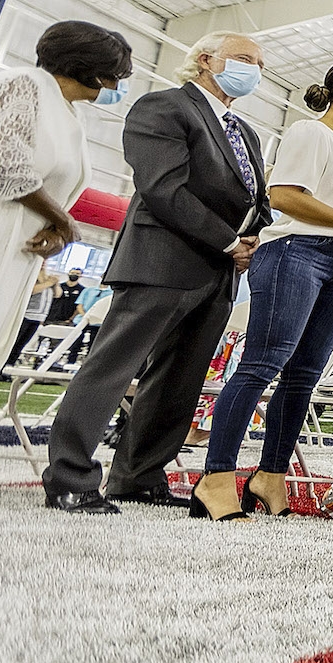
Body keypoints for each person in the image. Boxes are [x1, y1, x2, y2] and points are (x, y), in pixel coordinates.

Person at [44, 31, 275, 514]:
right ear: (206, 59)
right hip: (161, 259)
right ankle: (69, 476)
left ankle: (139, 476)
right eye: (243, 59)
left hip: (219, 270)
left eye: (259, 62)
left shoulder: (246, 132)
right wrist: (230, 240)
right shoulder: (165, 107)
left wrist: (253, 235)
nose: (254, 68)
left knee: (179, 380)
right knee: (113, 370)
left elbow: (256, 197)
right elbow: (163, 188)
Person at [198, 59, 333, 520]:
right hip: (295, 250)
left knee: (304, 374)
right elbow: (285, 196)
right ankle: (216, 477)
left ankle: (270, 474)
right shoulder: (310, 133)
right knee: (262, 365)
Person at [0, 22, 132, 392]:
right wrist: (64, 222)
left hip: (12, 243)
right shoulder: (22, 84)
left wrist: (57, 227)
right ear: (90, 70)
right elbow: (8, 165)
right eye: (116, 76)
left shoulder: (67, 111)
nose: (118, 88)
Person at [0, 267, 58, 380]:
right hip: (26, 315)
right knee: (12, 343)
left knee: (20, 345)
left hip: (38, 317)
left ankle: (8, 369)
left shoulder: (48, 278)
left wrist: (55, 284)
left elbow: (57, 294)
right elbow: (32, 290)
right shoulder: (33, 276)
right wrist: (48, 283)